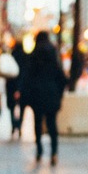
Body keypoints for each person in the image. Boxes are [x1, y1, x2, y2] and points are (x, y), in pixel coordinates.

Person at [22, 30, 64, 165]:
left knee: (38, 123)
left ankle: (39, 150)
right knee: (52, 124)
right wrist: (59, 94)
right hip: (52, 94)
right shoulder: (54, 57)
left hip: (37, 94)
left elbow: (27, 77)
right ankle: (54, 152)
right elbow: (62, 78)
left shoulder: (33, 56)